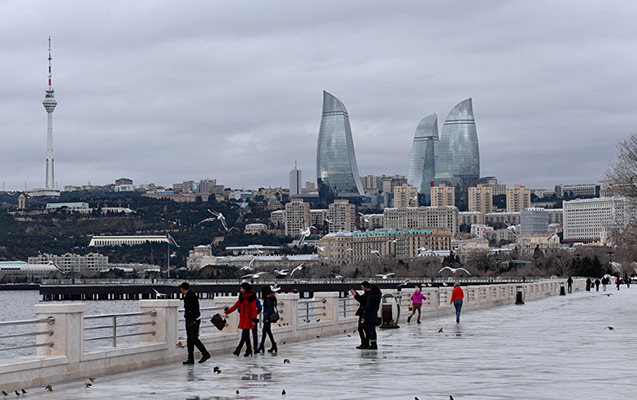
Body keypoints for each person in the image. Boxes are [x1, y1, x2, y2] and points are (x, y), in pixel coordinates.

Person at [179, 282, 210, 365]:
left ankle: (205, 354)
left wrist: (194, 319)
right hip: (190, 319)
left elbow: (194, 309)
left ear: (182, 289)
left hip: (193, 320)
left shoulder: (190, 296)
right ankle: (190, 358)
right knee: (189, 340)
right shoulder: (191, 295)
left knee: (194, 339)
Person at [225, 282, 258, 357]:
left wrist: (254, 319)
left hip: (249, 319)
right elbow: (235, 306)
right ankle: (249, 350)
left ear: (245, 289)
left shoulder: (250, 298)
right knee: (246, 335)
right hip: (243, 318)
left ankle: (238, 349)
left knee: (244, 334)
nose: (240, 289)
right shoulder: (242, 297)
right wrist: (227, 311)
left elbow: (254, 309)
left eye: (242, 288)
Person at [257, 285, 278, 353]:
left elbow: (269, 309)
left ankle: (262, 346)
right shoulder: (271, 298)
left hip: (267, 318)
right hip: (268, 317)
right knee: (267, 331)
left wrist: (266, 318)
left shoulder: (268, 299)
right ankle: (272, 345)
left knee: (265, 331)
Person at [350, 281, 370, 349]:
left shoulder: (368, 294)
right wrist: (356, 294)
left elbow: (362, 301)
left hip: (364, 313)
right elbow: (362, 298)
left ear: (366, 287)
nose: (362, 288)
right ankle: (365, 343)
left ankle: (365, 343)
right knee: (364, 329)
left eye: (362, 287)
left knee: (361, 328)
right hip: (364, 313)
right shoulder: (366, 294)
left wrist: (355, 295)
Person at [361, 284, 382, 350]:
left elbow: (367, 307)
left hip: (369, 315)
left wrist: (364, 316)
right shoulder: (378, 297)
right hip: (374, 314)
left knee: (370, 330)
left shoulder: (371, 297)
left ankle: (372, 344)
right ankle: (374, 343)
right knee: (373, 330)